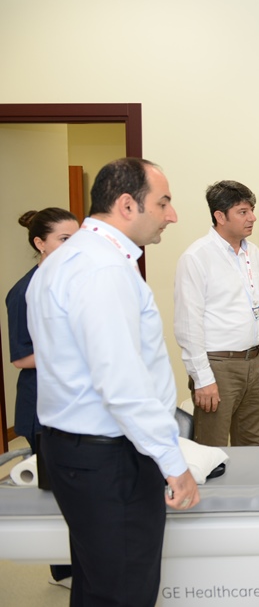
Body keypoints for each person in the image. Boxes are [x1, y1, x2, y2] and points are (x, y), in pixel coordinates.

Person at [27, 157, 200, 607]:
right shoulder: (102, 269)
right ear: (127, 205)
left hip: (73, 451)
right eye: (163, 203)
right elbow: (121, 384)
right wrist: (173, 462)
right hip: (110, 460)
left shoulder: (62, 262)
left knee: (96, 586)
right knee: (123, 593)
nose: (171, 215)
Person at [174, 180, 259, 447]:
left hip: (254, 362)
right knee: (212, 447)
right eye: (243, 212)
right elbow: (189, 325)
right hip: (218, 366)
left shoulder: (252, 252)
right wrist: (202, 379)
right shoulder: (197, 257)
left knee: (253, 443)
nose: (252, 218)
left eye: (252, 210)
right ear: (220, 216)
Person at [4, 207, 78, 589]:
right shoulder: (23, 292)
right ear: (40, 243)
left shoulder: (72, 282)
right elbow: (21, 358)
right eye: (64, 239)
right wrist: (77, 348)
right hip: (41, 407)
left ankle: (80, 564)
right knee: (54, 495)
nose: (74, 246)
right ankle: (62, 572)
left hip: (72, 403)